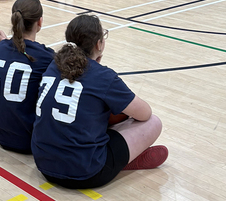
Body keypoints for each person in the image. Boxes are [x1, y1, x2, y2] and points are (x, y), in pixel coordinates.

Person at [31, 14, 168, 189]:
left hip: (44, 165)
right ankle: (123, 163)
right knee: (153, 122)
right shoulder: (104, 76)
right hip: (85, 173)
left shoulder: (53, 65)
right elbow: (144, 113)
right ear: (99, 44)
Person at [0, 0, 55, 153]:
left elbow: (16, 51)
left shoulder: (1, 47)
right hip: (28, 138)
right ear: (40, 22)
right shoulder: (45, 56)